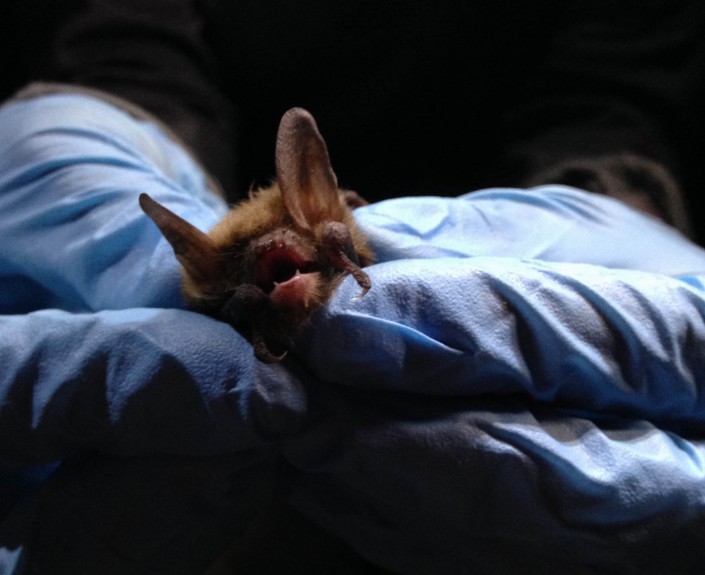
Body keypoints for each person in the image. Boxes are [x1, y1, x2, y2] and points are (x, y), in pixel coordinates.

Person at [2, 2, 705, 573]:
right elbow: (125, 33)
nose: (277, 270)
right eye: (263, 272)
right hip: (233, 258)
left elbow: (612, 87)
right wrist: (100, 118)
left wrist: (611, 203)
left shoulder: (321, 245)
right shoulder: (248, 277)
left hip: (427, 235)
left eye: (284, 264)